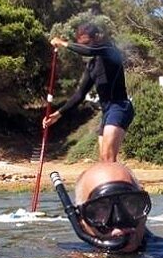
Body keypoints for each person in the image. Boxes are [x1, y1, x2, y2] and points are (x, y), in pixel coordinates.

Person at [49, 163, 163, 258]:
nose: (119, 219)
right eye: (101, 209)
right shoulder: (68, 254)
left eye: (131, 204)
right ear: (80, 220)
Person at [43, 23, 134, 163]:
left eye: (87, 42)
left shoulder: (109, 49)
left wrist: (62, 43)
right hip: (106, 111)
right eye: (82, 43)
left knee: (109, 158)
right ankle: (115, 183)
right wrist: (57, 114)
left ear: (96, 38)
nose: (84, 46)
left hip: (119, 107)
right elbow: (79, 95)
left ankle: (125, 184)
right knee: (104, 159)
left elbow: (89, 51)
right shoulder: (92, 66)